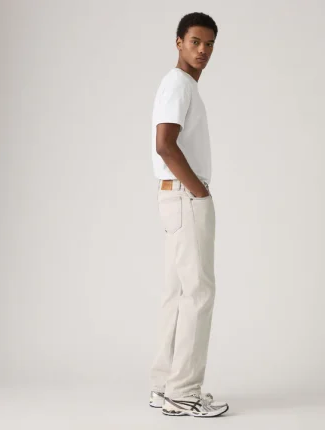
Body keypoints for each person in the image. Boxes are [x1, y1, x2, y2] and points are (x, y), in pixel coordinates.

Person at [148, 12, 229, 418]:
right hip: (184, 197)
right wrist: (199, 190)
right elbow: (165, 144)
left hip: (174, 198)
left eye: (209, 44)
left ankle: (164, 386)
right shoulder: (179, 84)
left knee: (178, 293)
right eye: (195, 41)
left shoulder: (179, 85)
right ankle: (182, 393)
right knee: (198, 294)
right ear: (178, 41)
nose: (203, 50)